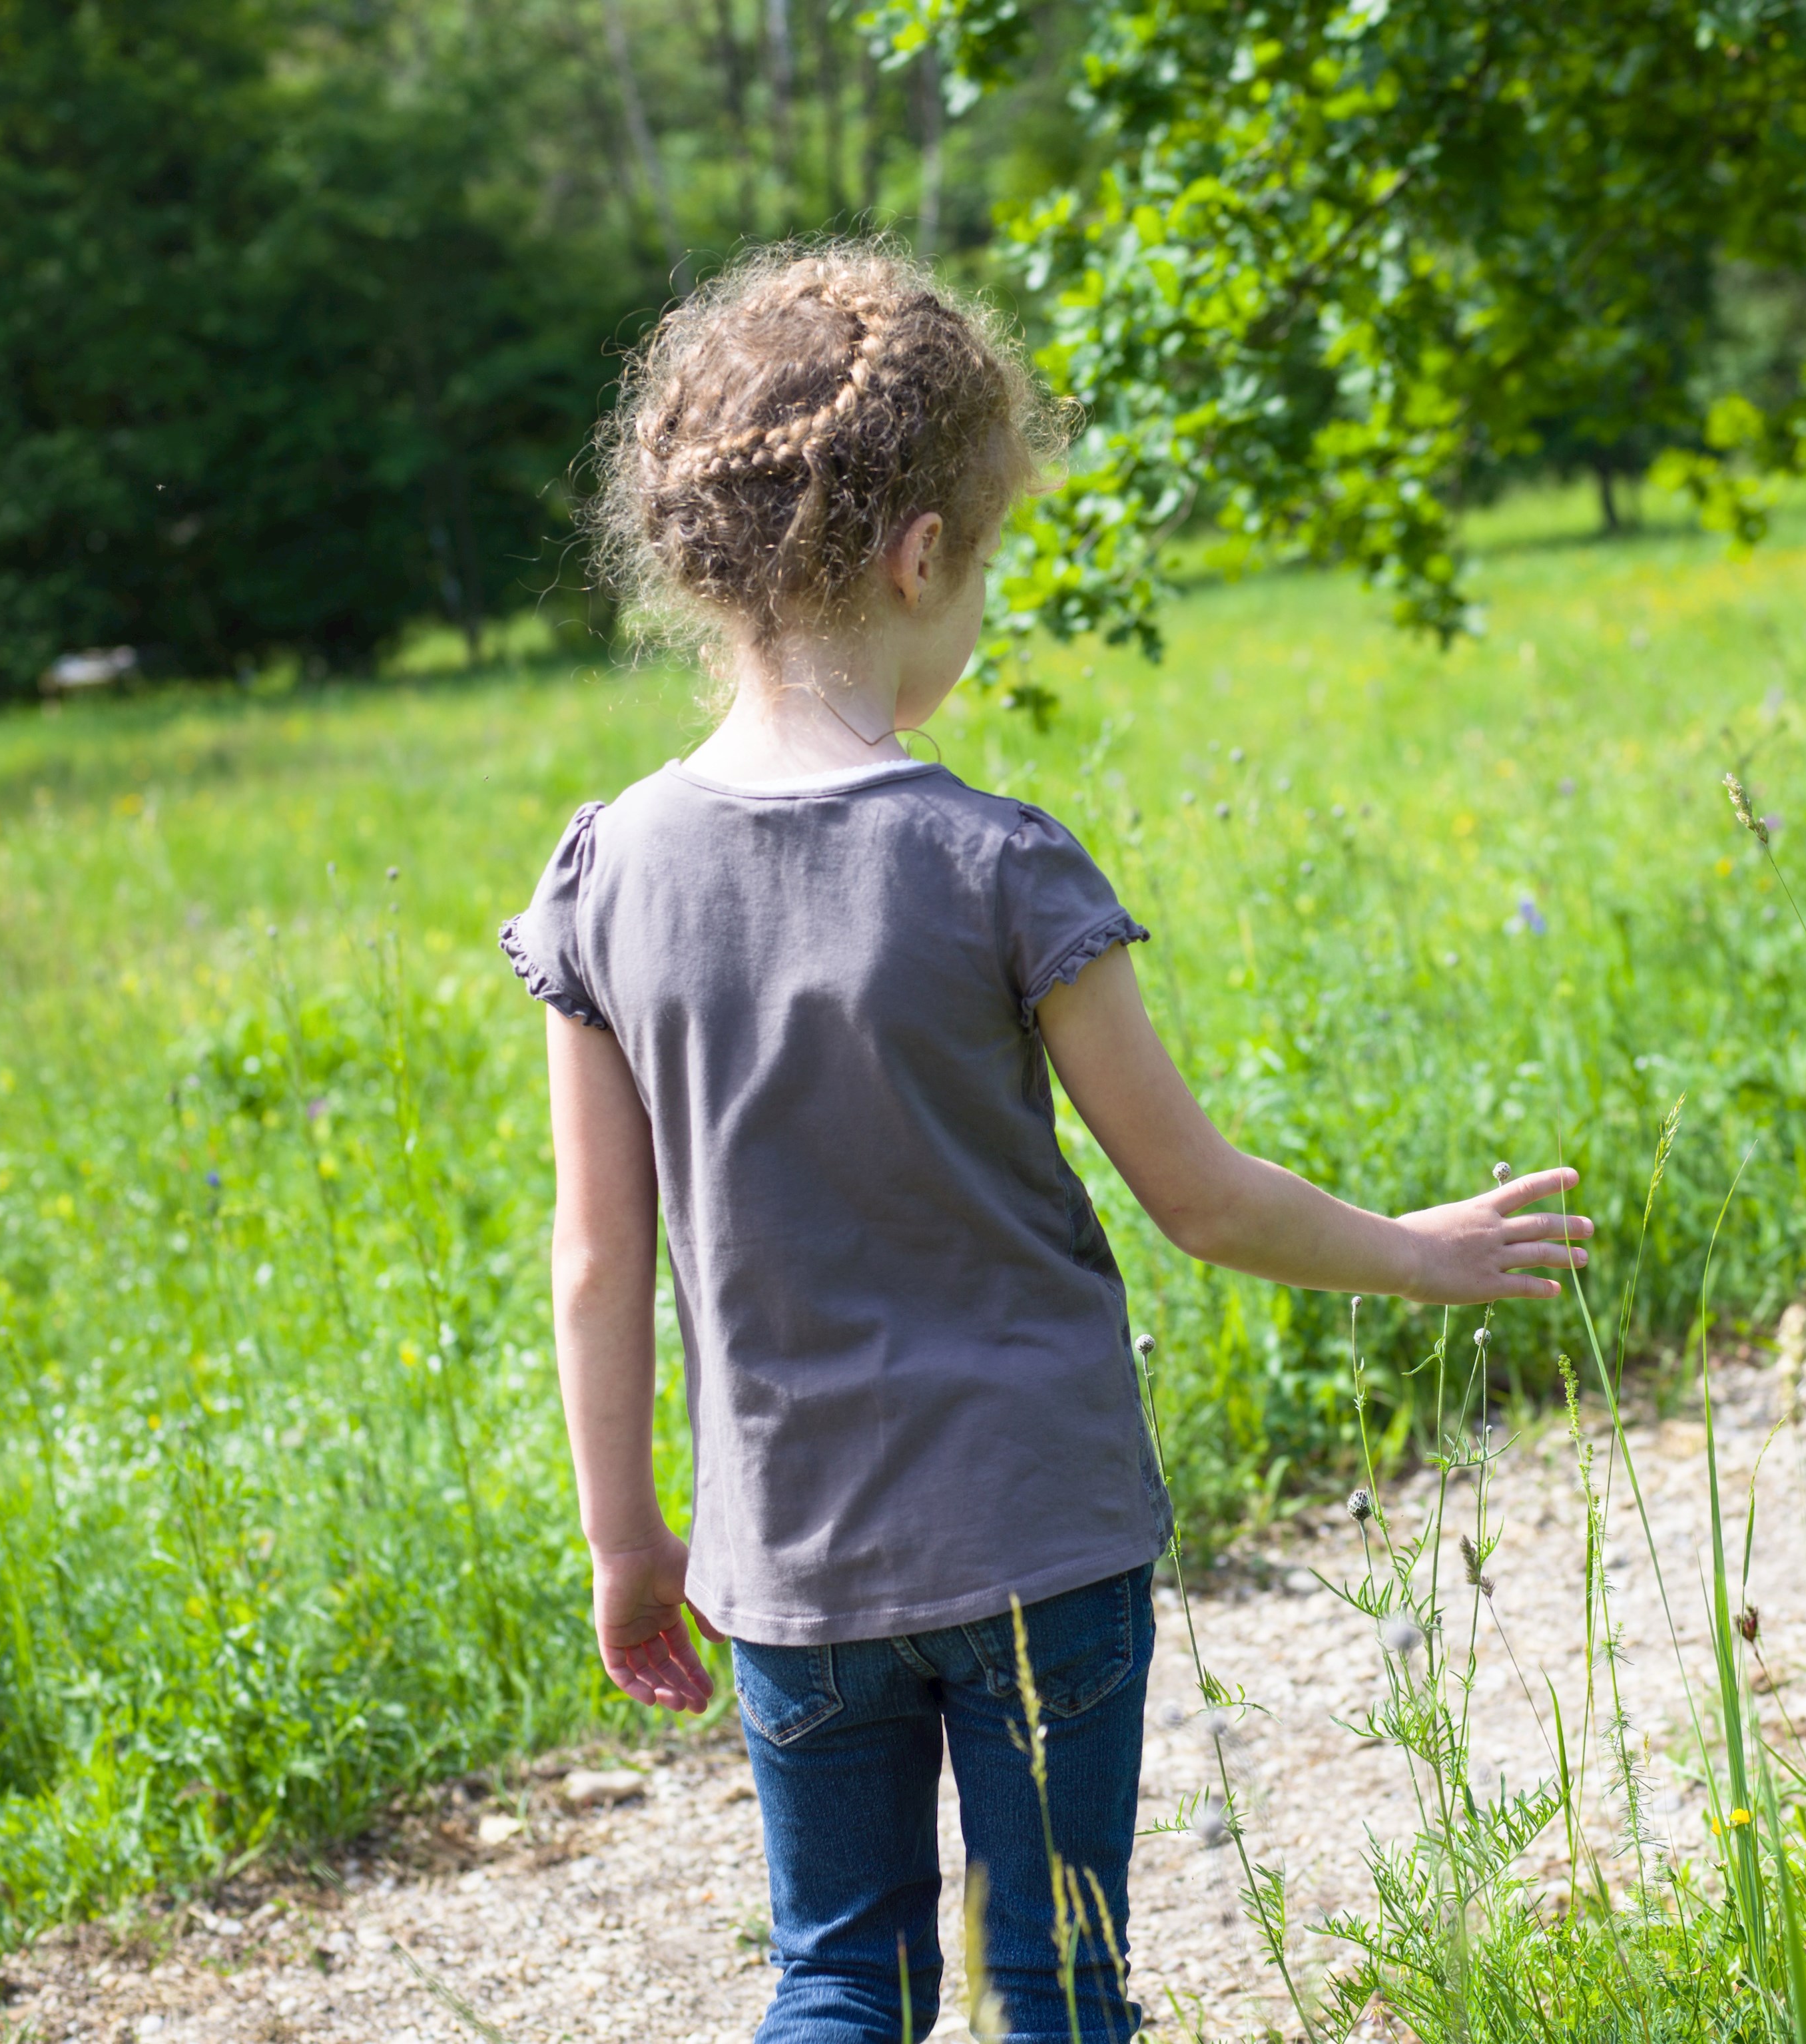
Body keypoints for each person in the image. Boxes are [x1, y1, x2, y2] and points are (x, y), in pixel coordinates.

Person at [499, 242, 1592, 2044]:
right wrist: (1422, 1251)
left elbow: (598, 1262)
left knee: (837, 1974)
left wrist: (631, 1541)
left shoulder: (608, 872)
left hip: (791, 1568)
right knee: (1057, 1979)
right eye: (989, 560)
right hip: (1041, 1542)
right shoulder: (997, 864)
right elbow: (1200, 1199)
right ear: (922, 553)